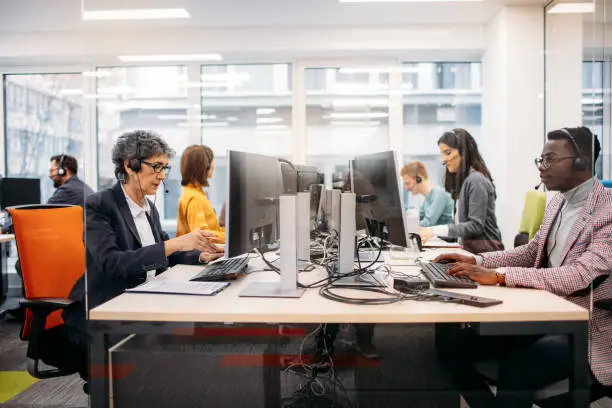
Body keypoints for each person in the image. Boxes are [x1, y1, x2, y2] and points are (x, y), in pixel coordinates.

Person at [435, 127, 611, 407]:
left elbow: (580, 274)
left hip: (586, 328)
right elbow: (531, 252)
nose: (541, 167)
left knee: (518, 369)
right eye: (540, 159)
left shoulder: (607, 212)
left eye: (550, 159)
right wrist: (477, 260)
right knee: (451, 344)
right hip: (544, 313)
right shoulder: (557, 205)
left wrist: (499, 276)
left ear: (582, 162)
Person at [62, 130, 224, 389]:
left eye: (165, 168)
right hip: (106, 309)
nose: (161, 175)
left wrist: (202, 256)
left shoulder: (149, 208)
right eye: (156, 166)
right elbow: (111, 263)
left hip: (144, 299)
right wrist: (172, 244)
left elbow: (166, 255)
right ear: (130, 164)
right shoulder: (99, 205)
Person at [420, 128, 503, 254]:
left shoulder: (476, 180)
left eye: (447, 153)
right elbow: (461, 231)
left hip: (487, 254)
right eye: (442, 154)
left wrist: (434, 231)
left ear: (463, 152)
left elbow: (475, 227)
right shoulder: (465, 181)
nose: (444, 159)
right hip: (471, 252)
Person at [176, 145, 225, 243]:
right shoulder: (195, 198)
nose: (213, 164)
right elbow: (202, 236)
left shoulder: (194, 192)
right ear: (204, 166)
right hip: (198, 255)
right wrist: (230, 238)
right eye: (211, 161)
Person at [401, 161, 453, 227]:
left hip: (444, 237)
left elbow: (428, 223)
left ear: (418, 178)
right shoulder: (427, 199)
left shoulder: (439, 193)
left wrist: (406, 228)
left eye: (408, 183)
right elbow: (419, 219)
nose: (406, 188)